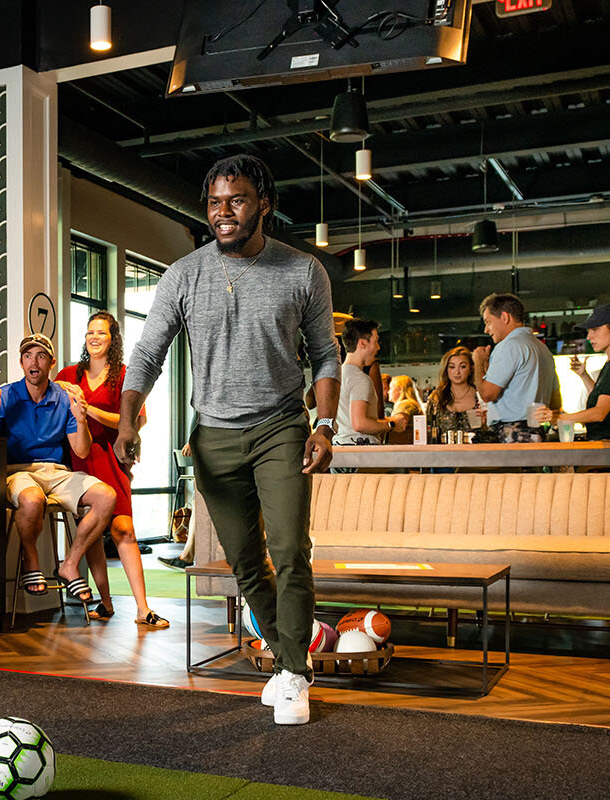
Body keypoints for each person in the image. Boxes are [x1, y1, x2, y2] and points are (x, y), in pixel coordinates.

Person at [114, 153, 341, 726]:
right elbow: (147, 353)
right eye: (215, 203)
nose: (223, 212)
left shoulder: (302, 270)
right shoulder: (184, 275)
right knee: (244, 563)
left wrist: (326, 424)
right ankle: (287, 662)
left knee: (290, 550)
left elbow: (325, 354)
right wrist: (126, 419)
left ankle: (294, 672)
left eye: (236, 200)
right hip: (213, 437)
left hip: (280, 429)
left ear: (263, 202)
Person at [0, 333, 117, 606]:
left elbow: (81, 451)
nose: (34, 362)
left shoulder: (66, 398)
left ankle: (70, 563)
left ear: (51, 362)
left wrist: (81, 420)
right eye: (28, 356)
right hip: (17, 471)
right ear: (21, 362)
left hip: (56, 471)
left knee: (107, 497)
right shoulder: (5, 396)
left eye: (41, 356)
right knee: (32, 500)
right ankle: (31, 560)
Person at [55, 312, 167, 628]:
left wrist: (88, 408)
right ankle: (105, 603)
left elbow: (133, 421)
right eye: (90, 331)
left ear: (113, 339)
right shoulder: (69, 373)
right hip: (77, 460)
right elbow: (49, 399)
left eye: (101, 333)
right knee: (90, 535)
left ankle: (143, 608)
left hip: (111, 460)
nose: (94, 337)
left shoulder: (125, 376)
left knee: (123, 529)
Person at [538, 305, 610, 440]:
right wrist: (584, 375)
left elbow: (599, 413)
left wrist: (558, 417)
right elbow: (602, 400)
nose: (589, 336)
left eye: (595, 329)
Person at [472, 293, 560, 443]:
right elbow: (555, 402)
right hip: (538, 433)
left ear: (505, 317)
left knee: (513, 468)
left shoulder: (508, 346)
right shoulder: (543, 349)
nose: (486, 330)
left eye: (488, 322)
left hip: (512, 434)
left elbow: (487, 394)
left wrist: (479, 363)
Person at [334, 318, 406, 447]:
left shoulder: (338, 376)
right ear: (362, 343)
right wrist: (392, 424)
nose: (378, 347)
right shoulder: (360, 379)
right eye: (376, 341)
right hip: (360, 455)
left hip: (340, 450)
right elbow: (360, 423)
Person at [426, 346, 483, 443]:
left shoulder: (480, 395)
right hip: (444, 455)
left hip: (477, 454)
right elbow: (428, 432)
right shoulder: (436, 397)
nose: (457, 372)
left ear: (471, 369)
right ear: (446, 370)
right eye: (452, 367)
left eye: (463, 366)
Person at [385, 375, 423, 445]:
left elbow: (399, 423)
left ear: (400, 389)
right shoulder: (410, 404)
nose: (388, 392)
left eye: (391, 388)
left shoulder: (405, 405)